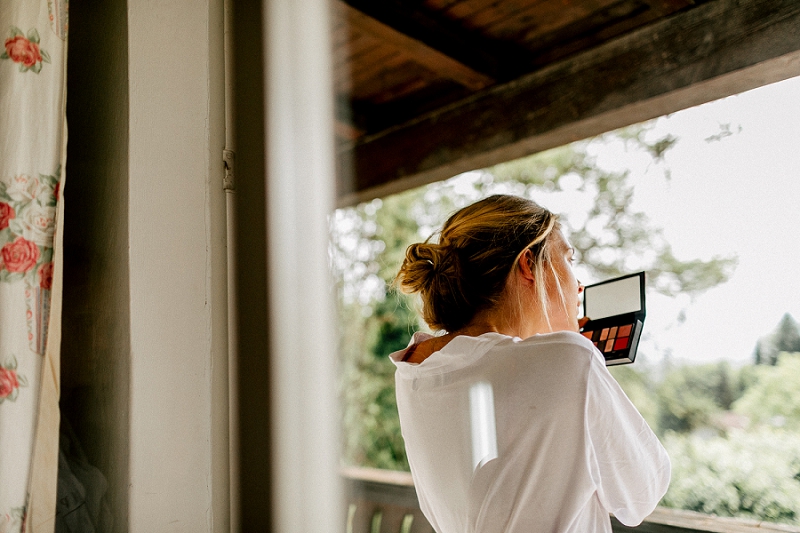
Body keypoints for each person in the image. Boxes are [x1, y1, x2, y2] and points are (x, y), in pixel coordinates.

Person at [389, 194, 670, 533]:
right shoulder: (570, 359)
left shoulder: (413, 368)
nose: (578, 284)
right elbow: (640, 494)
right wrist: (582, 357)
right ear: (527, 264)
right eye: (567, 258)